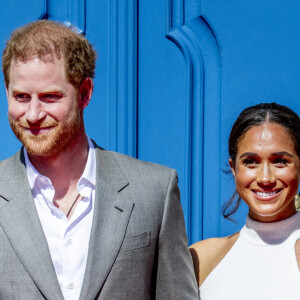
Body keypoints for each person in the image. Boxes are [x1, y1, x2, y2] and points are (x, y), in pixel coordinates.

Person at [0, 20, 198, 299]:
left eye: (49, 97)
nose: (33, 114)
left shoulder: (154, 191)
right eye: (21, 97)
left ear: (84, 93)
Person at [190, 102, 300, 299]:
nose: (265, 178)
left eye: (280, 161)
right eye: (251, 162)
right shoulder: (201, 258)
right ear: (234, 169)